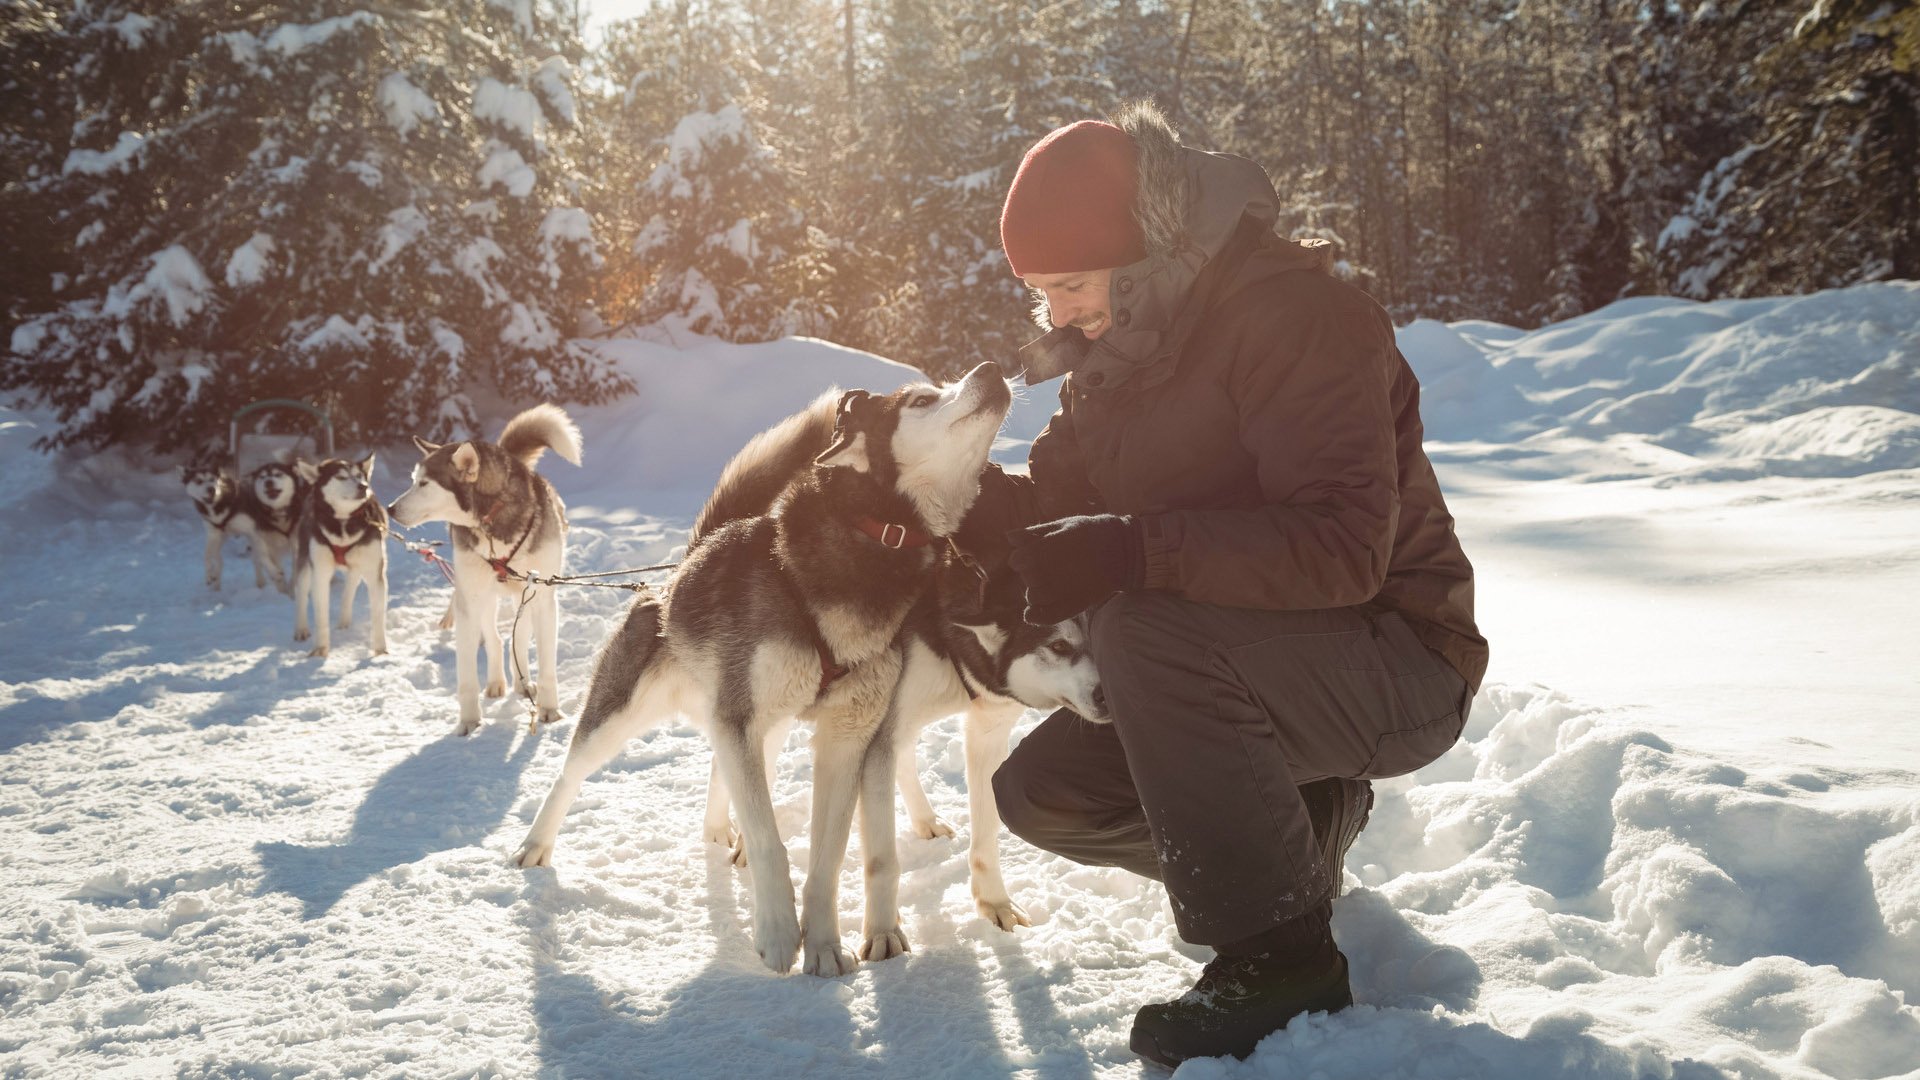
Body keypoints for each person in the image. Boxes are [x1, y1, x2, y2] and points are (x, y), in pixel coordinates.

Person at [988, 103, 1489, 1067]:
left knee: (1142, 629)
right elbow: (1060, 497)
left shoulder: (1298, 315)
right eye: (1040, 295)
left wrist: (1134, 549)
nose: (1058, 316)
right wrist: (962, 515)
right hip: (1260, 664)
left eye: (1071, 285)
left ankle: (1281, 956)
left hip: (1398, 655)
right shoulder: (1120, 351)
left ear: (1140, 254)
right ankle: (1304, 832)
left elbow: (1345, 548)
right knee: (1045, 792)